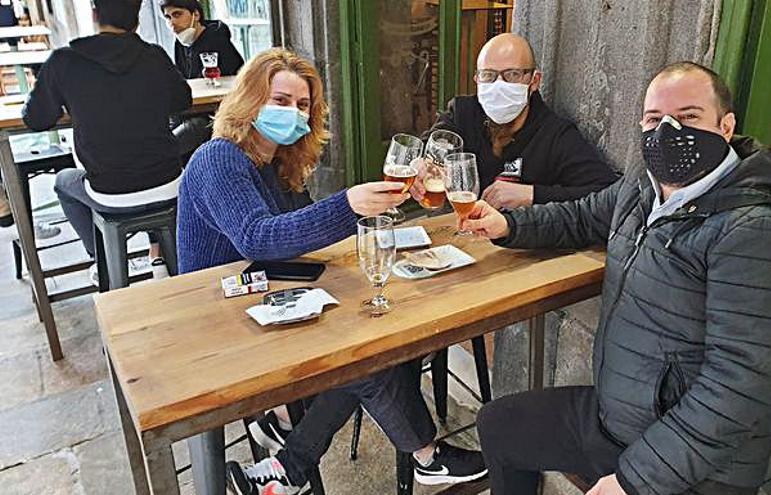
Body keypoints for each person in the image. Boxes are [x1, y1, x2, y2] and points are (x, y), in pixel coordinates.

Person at [465, 62, 771, 495]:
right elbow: (581, 215)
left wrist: (634, 480)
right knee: (500, 426)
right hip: (618, 418)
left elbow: (738, 389)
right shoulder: (643, 188)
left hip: (695, 465)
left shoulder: (757, 233)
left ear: (726, 127)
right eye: (654, 119)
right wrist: (509, 227)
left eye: (688, 117)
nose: (668, 132)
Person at [176, 48, 487, 495]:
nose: (293, 113)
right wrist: (348, 205)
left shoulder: (274, 164)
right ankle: (425, 457)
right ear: (249, 99)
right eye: (280, 100)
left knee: (380, 339)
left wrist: (385, 200)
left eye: (302, 106)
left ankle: (289, 463)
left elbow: (302, 236)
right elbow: (258, 238)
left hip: (267, 294)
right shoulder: (219, 159)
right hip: (223, 318)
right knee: (365, 354)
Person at [23, 0, 191, 281]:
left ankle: (102, 259)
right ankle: (161, 257)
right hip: (168, 182)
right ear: (137, 19)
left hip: (109, 189)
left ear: (94, 14)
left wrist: (71, 99)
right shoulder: (154, 56)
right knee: (147, 155)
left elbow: (36, 118)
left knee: (64, 182)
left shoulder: (63, 61)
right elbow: (182, 100)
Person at [412, 33, 617, 210]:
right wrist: (421, 164)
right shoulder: (461, 113)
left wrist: (532, 195)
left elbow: (607, 192)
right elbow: (433, 141)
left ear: (534, 81)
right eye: (488, 75)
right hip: (462, 235)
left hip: (525, 248)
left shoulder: (555, 135)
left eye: (512, 75)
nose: (499, 85)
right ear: (477, 79)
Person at [160, 0, 245, 160]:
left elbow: (232, 85)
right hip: (192, 109)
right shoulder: (180, 44)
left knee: (175, 143)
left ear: (196, 14)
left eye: (177, 14)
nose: (172, 22)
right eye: (168, 17)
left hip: (217, 114)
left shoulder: (216, 40)